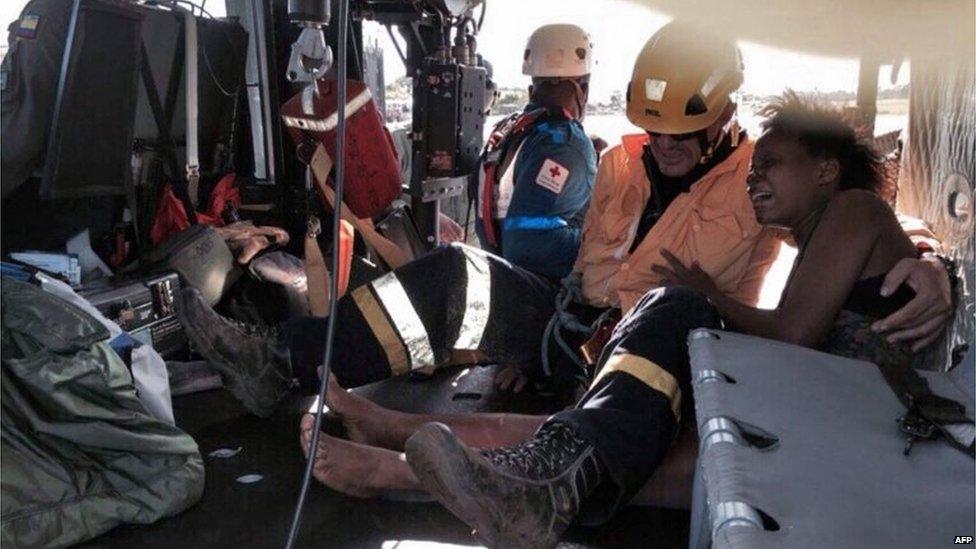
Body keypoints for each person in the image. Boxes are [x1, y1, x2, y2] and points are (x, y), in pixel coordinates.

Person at [179, 20, 953, 513]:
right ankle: (281, 361)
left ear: (723, 119)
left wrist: (930, 262)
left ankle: (460, 458)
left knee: (663, 324)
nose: (665, 147)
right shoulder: (619, 161)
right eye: (655, 132)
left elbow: (860, 222)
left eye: (683, 135)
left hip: (654, 358)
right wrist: (535, 340)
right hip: (572, 332)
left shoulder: (759, 181)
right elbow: (580, 258)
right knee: (456, 274)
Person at [402, 92, 959, 548]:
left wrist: (706, 293)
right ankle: (517, 474)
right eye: (753, 166)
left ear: (825, 171)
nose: (752, 178)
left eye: (771, 165)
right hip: (836, 411)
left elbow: (794, 334)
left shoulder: (852, 209)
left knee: (678, 308)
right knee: (626, 423)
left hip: (864, 422)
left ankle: (543, 478)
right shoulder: (825, 229)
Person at [475, 23, 597, 279]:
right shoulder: (565, 144)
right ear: (582, 91)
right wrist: (602, 242)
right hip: (543, 299)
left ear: (532, 90)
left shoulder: (505, 133)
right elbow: (528, 245)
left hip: (500, 282)